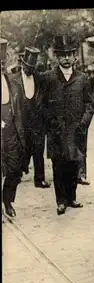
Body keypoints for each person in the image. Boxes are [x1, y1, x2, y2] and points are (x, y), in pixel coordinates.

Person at [40, 35, 94, 215]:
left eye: (69, 54)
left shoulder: (83, 78)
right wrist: (51, 123)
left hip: (76, 131)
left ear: (75, 56)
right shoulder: (48, 78)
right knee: (59, 166)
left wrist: (84, 123)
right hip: (56, 131)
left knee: (74, 165)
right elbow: (41, 105)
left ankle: (71, 197)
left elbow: (89, 103)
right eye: (62, 55)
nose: (66, 58)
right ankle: (61, 200)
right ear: (56, 57)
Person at [12, 46, 51, 189]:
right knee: (21, 148)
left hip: (37, 121)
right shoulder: (13, 80)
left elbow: (46, 98)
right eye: (27, 66)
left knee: (39, 149)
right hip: (21, 121)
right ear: (22, 63)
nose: (30, 69)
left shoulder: (40, 79)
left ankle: (39, 179)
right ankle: (17, 174)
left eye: (32, 66)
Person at [1, 38, 28, 218]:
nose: (1, 65)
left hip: (11, 131)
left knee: (14, 169)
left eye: (2, 62)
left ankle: (7, 199)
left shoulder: (12, 82)